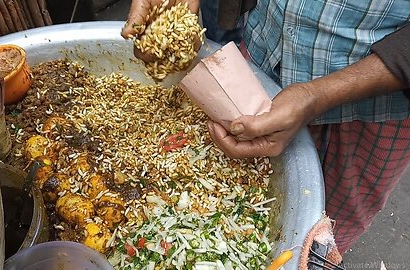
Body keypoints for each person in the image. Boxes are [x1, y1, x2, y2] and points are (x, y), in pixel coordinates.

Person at [122, 0, 410, 254]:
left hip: (375, 107)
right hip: (263, 52)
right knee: (240, 189)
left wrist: (314, 96)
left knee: (322, 235)